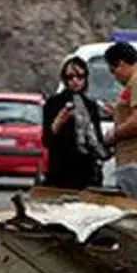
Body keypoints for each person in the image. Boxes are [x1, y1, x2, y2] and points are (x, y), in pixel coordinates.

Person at [42, 56, 110, 190]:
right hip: (62, 169)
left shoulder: (91, 105)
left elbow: (96, 139)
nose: (75, 81)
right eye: (70, 77)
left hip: (87, 170)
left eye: (80, 76)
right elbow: (47, 139)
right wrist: (59, 121)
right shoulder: (54, 103)